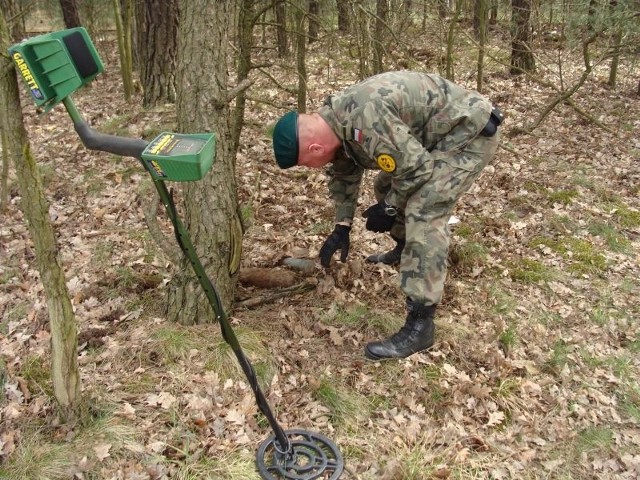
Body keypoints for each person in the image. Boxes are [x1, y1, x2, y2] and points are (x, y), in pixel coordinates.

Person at [271, 71, 502, 360]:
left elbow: (417, 170)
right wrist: (342, 225)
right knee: (385, 183)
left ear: (315, 148)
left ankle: (421, 323)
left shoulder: (366, 119)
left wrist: (389, 207)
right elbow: (344, 171)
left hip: (469, 132)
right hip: (434, 136)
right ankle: (407, 249)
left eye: (307, 163)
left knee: (425, 208)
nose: (313, 168)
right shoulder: (334, 120)